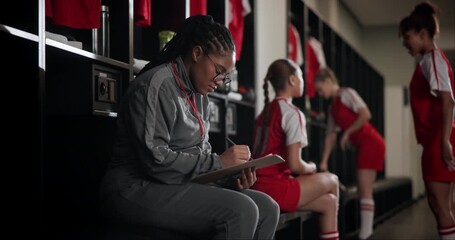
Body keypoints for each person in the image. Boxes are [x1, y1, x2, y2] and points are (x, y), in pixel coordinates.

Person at [99, 15, 280, 240]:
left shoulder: (199, 93)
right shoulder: (155, 86)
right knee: (242, 211)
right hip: (132, 187)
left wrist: (230, 176)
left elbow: (199, 156)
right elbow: (155, 162)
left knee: (268, 208)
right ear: (196, 53)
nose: (221, 81)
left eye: (226, 77)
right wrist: (219, 162)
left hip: (174, 183)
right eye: (219, 70)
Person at [251, 59, 340, 240]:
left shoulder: (264, 113)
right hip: (275, 188)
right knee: (332, 180)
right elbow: (294, 165)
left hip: (257, 187)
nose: (303, 82)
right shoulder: (292, 113)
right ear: (292, 80)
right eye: (301, 77)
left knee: (329, 203)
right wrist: (312, 167)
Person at [399, 1, 455, 239]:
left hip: (439, 139)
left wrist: (444, 140)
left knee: (441, 205)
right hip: (432, 140)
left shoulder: (433, 59)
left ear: (423, 34)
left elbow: (448, 99)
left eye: (407, 37)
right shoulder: (425, 61)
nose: (405, 43)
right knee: (438, 203)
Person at [314, 67, 386, 240]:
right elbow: (331, 135)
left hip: (371, 142)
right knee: (362, 189)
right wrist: (324, 161)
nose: (320, 94)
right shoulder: (332, 108)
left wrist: (347, 133)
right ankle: (365, 232)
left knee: (364, 188)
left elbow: (365, 114)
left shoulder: (347, 93)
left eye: (320, 89)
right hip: (362, 145)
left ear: (328, 81)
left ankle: (366, 233)